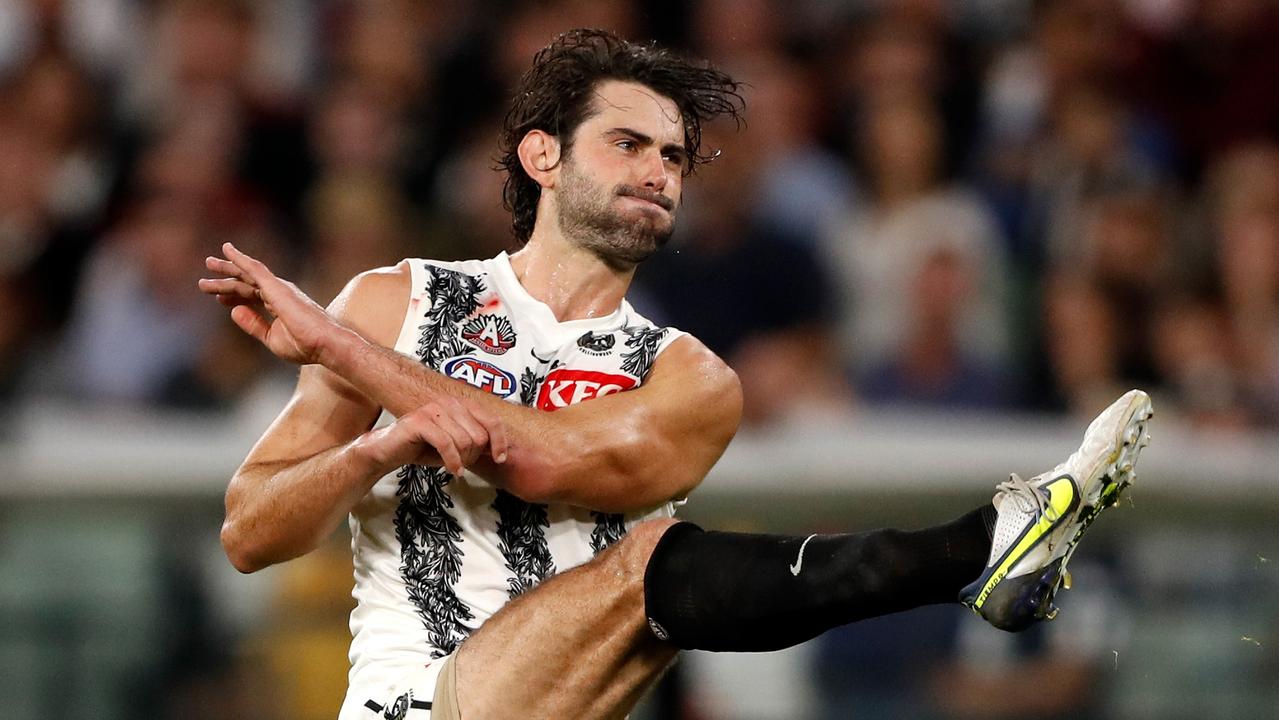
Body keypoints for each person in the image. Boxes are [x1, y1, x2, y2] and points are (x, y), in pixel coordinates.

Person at [199, 29, 1153, 720]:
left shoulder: (689, 380)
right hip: (414, 703)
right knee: (647, 565)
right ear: (542, 156)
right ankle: (979, 547)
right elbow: (251, 531)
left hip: (565, 701)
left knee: (646, 571)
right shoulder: (392, 299)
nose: (659, 170)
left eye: (675, 157)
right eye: (628, 144)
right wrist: (378, 445)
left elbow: (536, 460)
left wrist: (339, 350)